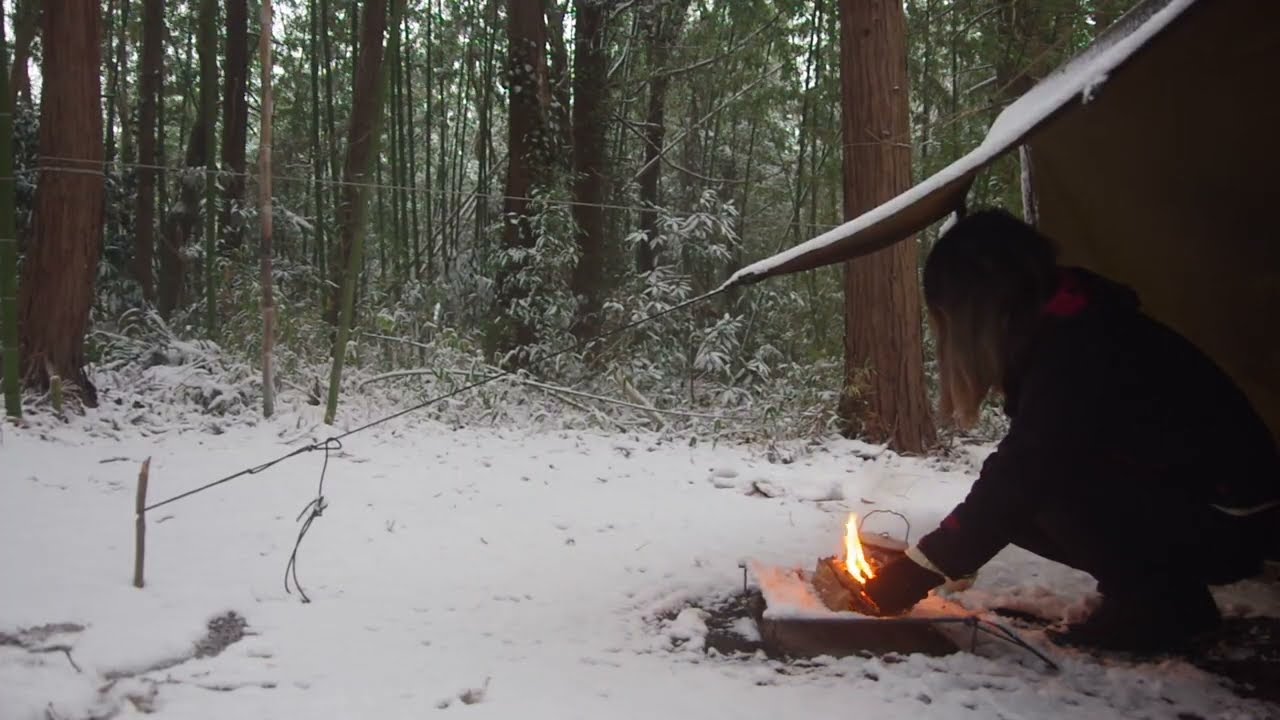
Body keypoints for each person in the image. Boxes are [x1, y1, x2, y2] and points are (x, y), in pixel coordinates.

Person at [861, 209, 1280, 654]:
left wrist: (920, 570)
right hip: (1208, 510)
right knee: (1020, 501)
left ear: (977, 303)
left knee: (1039, 489)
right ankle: (1170, 596)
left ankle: (1158, 608)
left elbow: (1029, 468)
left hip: (1235, 523)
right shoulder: (1062, 326)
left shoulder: (1079, 343)